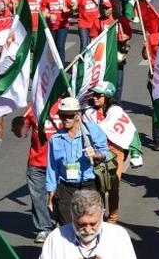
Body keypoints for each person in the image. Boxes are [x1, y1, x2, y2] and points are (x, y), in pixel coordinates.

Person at [46, 97, 109, 226]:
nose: (65, 119)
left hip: (89, 186)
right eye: (62, 115)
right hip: (66, 188)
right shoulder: (55, 139)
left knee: (89, 223)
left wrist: (97, 155)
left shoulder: (92, 130)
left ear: (78, 115)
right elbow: (52, 167)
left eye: (69, 115)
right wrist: (50, 192)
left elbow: (106, 153)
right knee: (67, 226)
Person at [82, 81, 134, 224]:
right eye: (94, 94)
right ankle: (99, 216)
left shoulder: (116, 111)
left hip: (114, 151)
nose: (95, 97)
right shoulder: (88, 112)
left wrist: (136, 153)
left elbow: (130, 131)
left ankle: (112, 219)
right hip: (96, 152)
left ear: (107, 96)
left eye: (99, 95)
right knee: (97, 185)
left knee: (113, 186)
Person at [12, 106, 61, 243]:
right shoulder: (34, 106)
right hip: (37, 162)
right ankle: (43, 228)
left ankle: (61, 223)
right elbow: (22, 132)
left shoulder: (65, 102)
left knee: (60, 196)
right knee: (37, 197)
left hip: (60, 162)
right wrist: (18, 125)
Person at [39, 189, 136, 259]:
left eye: (93, 224)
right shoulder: (56, 238)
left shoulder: (118, 236)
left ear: (102, 214)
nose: (88, 230)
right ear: (72, 216)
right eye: (81, 224)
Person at [42, 0, 72, 64]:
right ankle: (53, 65)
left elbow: (73, 9)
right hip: (51, 26)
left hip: (63, 26)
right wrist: (49, 15)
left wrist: (67, 10)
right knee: (52, 47)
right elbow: (43, 12)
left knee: (60, 46)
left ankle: (61, 65)